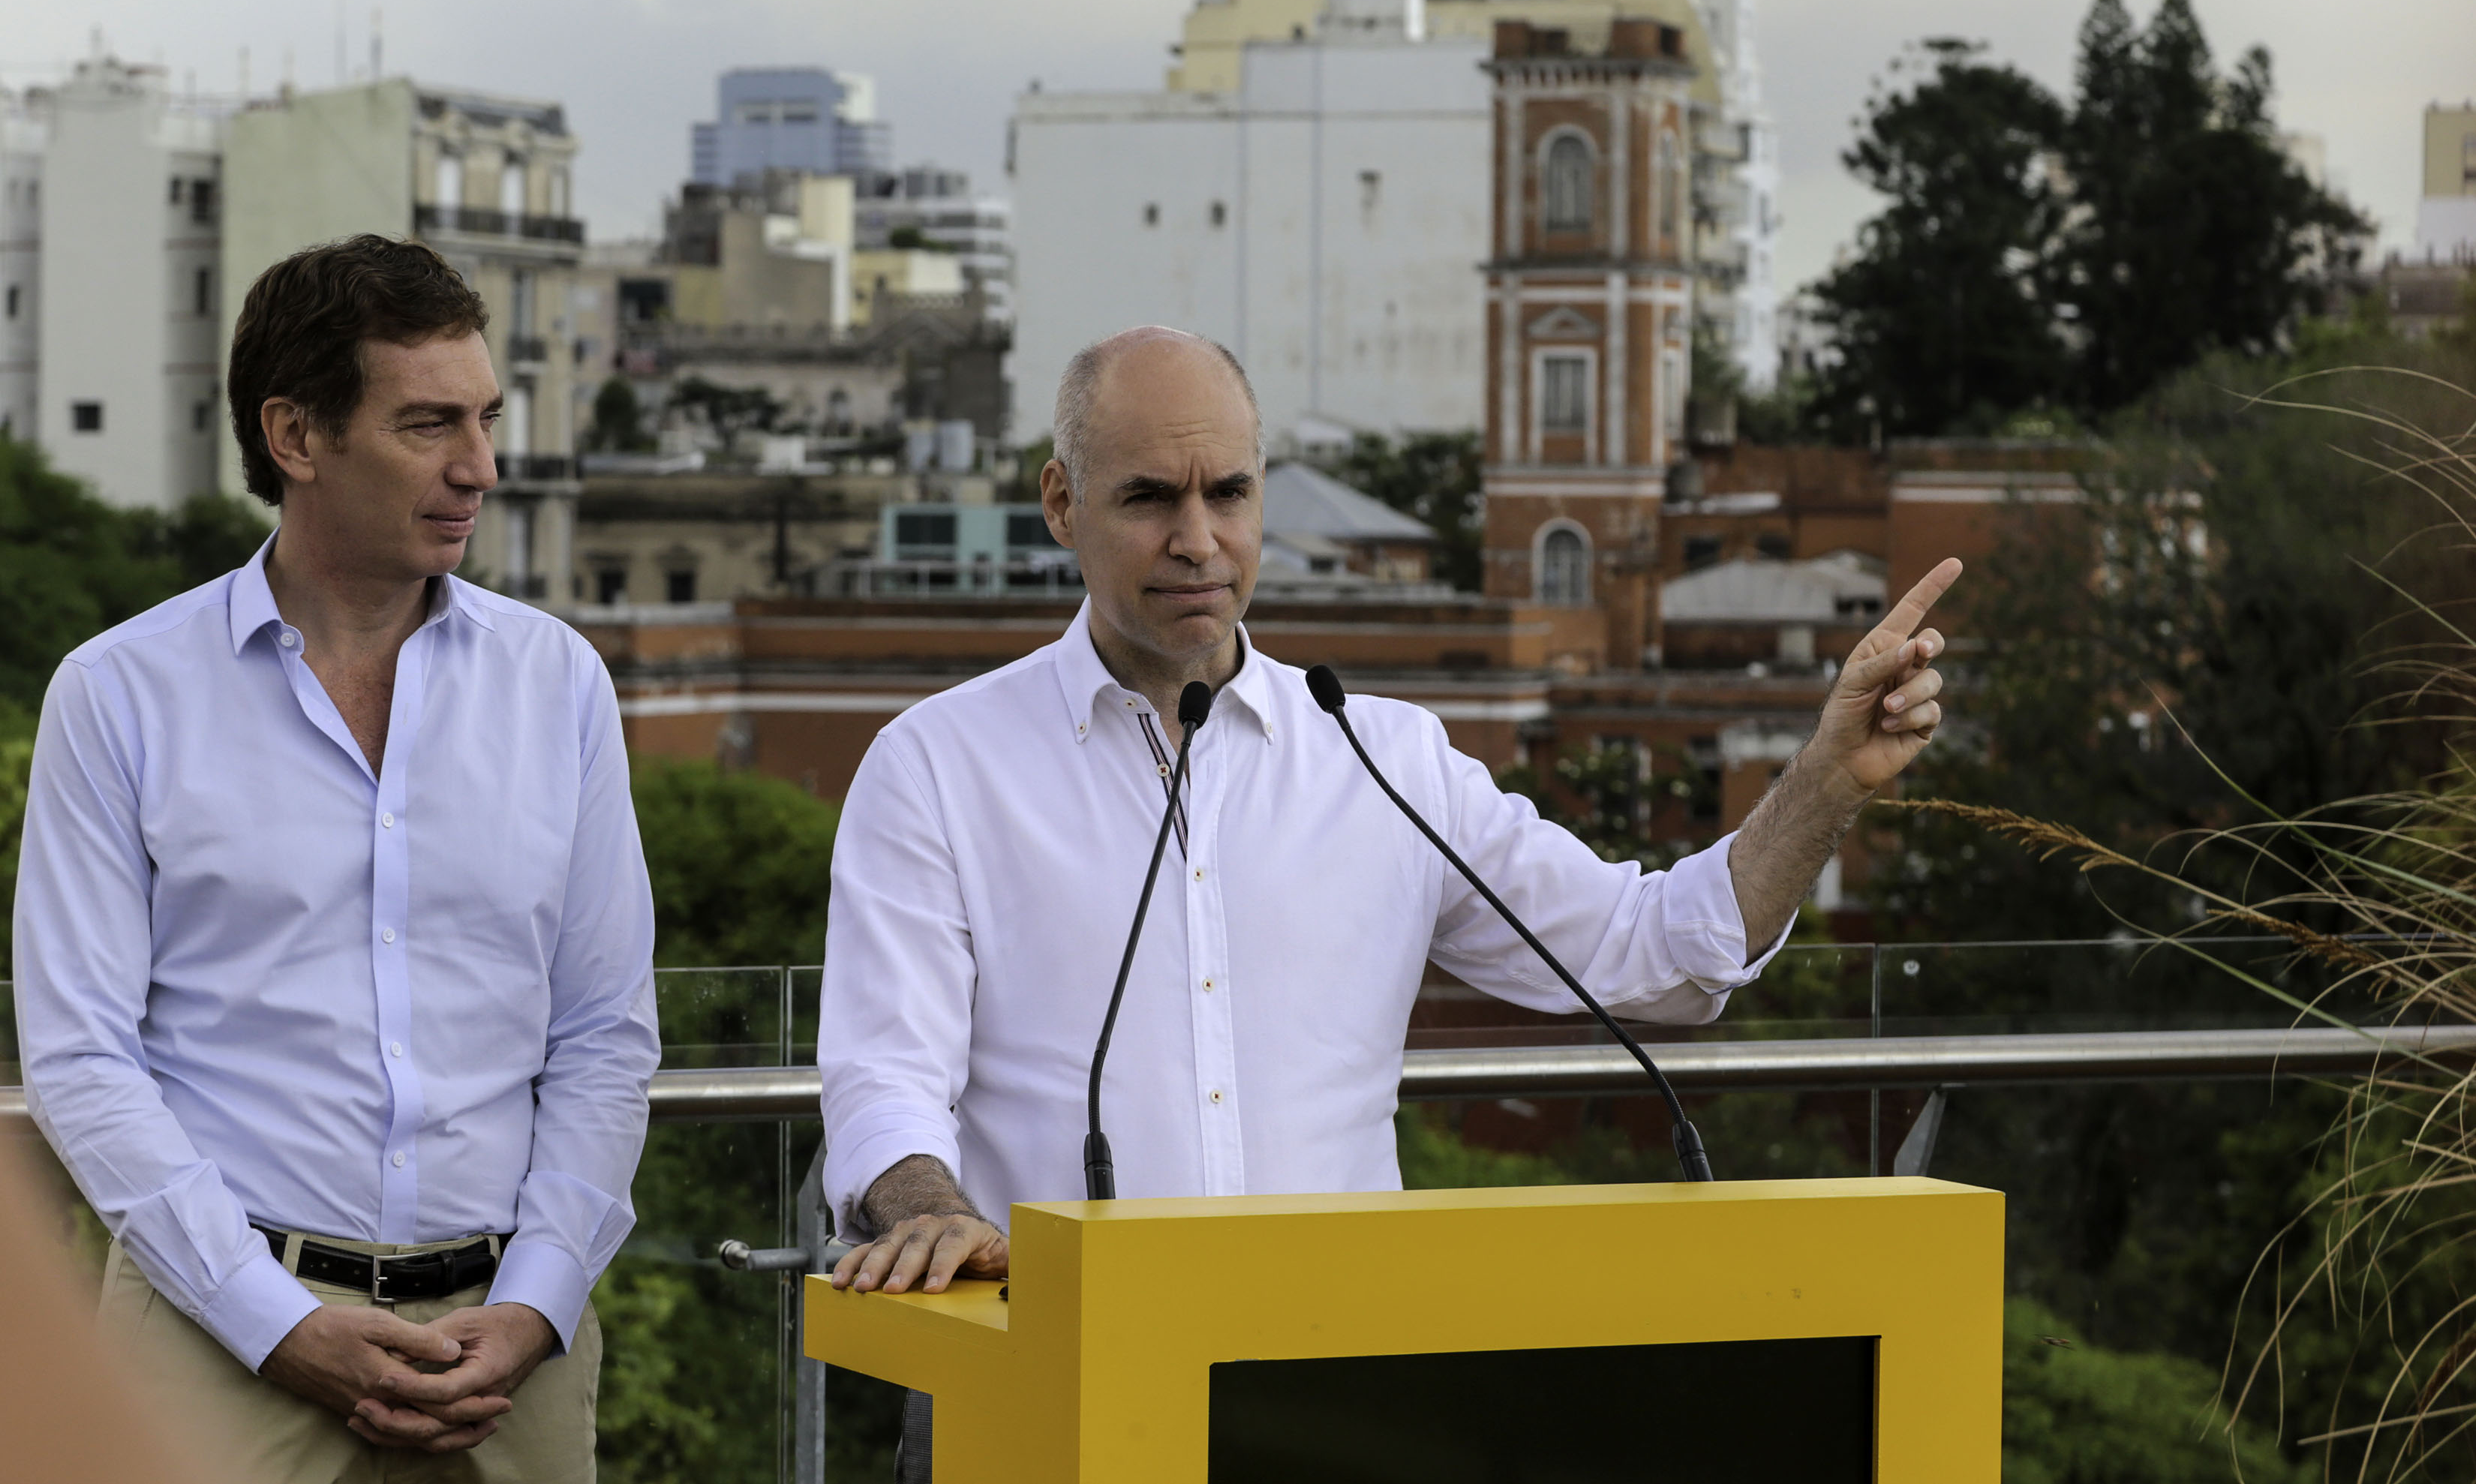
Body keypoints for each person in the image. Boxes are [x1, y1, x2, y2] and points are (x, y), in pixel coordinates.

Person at [819, 326, 1958, 1476]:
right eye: (1150, 497)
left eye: (1230, 492)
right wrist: (930, 1211)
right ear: (1061, 503)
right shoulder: (935, 766)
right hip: (1037, 1395)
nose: (1197, 539)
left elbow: (1660, 952)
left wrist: (1824, 779)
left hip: (1343, 1398)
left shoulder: (1386, 760)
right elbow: (884, 1082)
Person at [12, 235, 660, 1482]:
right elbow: (83, 1056)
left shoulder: (559, 684)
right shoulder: (120, 695)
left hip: (508, 1357)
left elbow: (604, 1032)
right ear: (296, 437)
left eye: (485, 417)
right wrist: (277, 1322)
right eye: (428, 425)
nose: (480, 466)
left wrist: (536, 1304)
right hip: (213, 1341)